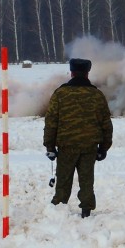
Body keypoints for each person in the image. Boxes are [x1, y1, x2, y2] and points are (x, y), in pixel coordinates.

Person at [43, 58, 113, 218]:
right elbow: (106, 124)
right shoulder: (96, 95)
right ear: (87, 73)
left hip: (66, 146)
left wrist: (50, 146)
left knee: (63, 182)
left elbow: (51, 121)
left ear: (72, 72)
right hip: (89, 147)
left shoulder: (60, 94)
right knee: (87, 181)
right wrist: (104, 148)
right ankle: (86, 211)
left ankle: (58, 212)